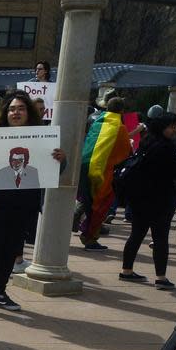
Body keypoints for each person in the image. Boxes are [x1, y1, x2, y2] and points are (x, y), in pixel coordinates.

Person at [0, 91, 66, 315]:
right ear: (5, 112)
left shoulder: (40, 138)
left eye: (20, 108)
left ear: (28, 112)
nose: (16, 112)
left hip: (22, 204)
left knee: (10, 251)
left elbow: (52, 173)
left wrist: (61, 160)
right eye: (11, 108)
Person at [119, 112, 176, 290]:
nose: (175, 130)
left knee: (136, 234)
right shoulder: (166, 147)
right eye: (172, 126)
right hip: (160, 198)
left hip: (140, 196)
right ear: (163, 127)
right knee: (160, 238)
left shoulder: (147, 141)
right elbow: (174, 173)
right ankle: (161, 277)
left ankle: (127, 270)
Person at [78, 96, 132, 250]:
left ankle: (86, 231)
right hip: (101, 172)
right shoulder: (119, 127)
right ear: (122, 110)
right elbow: (125, 152)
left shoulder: (96, 121)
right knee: (99, 207)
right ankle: (90, 239)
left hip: (84, 168)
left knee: (88, 203)